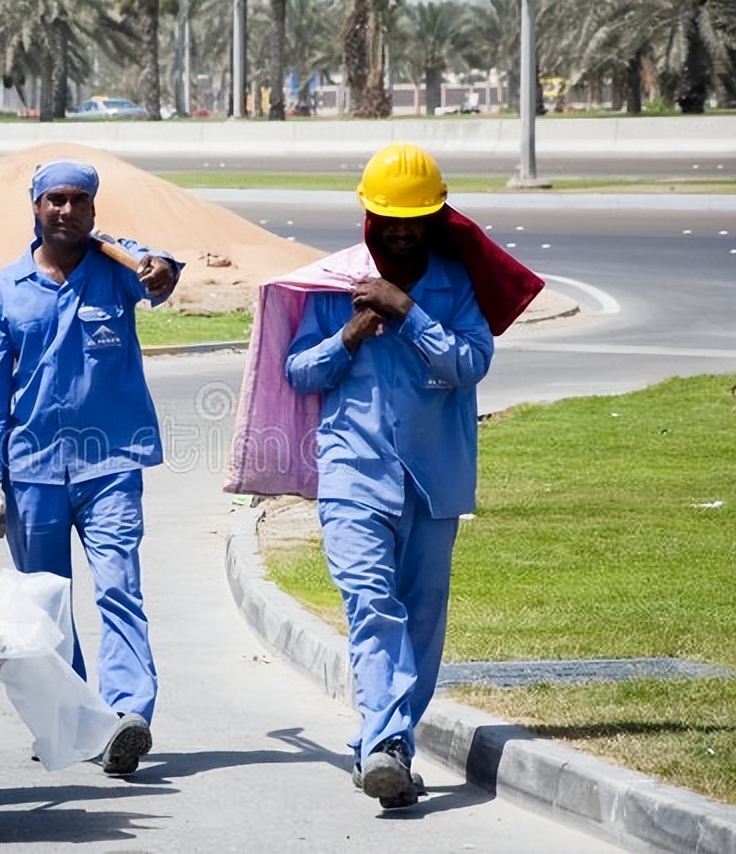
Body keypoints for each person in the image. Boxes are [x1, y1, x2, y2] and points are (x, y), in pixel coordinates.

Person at [284, 142, 495, 809]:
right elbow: (299, 373)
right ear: (368, 215)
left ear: (435, 216)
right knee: (372, 608)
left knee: (423, 616)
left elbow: (469, 364)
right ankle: (384, 746)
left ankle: (387, 743)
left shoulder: (456, 284)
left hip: (434, 477)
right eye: (390, 218)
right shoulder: (336, 280)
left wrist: (408, 311)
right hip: (354, 473)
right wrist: (350, 333)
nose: (402, 230)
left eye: (415, 218)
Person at [0, 159, 182, 776]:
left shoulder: (116, 273)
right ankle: (72, 721)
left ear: (94, 210)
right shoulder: (4, 290)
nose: (66, 210)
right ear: (35, 208)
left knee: (120, 588)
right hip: (32, 468)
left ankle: (124, 717)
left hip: (110, 464)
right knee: (46, 606)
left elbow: (159, 276)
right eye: (55, 200)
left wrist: (158, 263)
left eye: (79, 201)